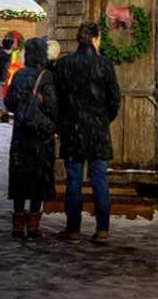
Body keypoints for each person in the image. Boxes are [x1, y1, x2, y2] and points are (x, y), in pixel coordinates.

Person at [52, 21, 121, 245]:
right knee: (100, 178)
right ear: (94, 40)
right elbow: (114, 101)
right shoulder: (104, 65)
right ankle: (102, 229)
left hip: (73, 130)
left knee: (73, 179)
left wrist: (64, 123)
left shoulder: (64, 65)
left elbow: (58, 100)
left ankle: (73, 230)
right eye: (99, 39)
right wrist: (102, 120)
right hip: (98, 131)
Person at [4, 38, 61, 241]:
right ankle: (34, 228)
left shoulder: (19, 74)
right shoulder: (48, 77)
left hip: (20, 135)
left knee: (20, 180)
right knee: (38, 179)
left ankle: (18, 227)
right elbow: (54, 107)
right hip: (41, 137)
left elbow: (8, 103)